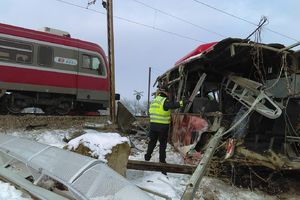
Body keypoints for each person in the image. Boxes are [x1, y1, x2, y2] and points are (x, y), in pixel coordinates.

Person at [145, 89, 187, 166]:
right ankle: (162, 160)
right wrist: (182, 103)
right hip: (162, 127)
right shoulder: (164, 100)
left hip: (153, 126)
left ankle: (147, 157)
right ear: (165, 94)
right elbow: (172, 105)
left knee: (152, 142)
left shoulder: (154, 101)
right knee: (162, 144)